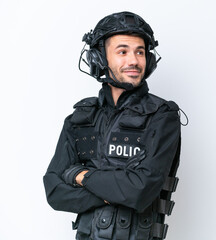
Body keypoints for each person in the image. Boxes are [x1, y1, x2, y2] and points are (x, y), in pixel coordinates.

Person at [43, 11, 182, 240]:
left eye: (140, 51)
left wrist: (81, 176)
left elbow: (140, 191)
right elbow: (55, 191)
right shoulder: (79, 119)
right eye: (122, 51)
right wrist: (116, 191)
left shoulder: (162, 116)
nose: (134, 60)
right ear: (99, 58)